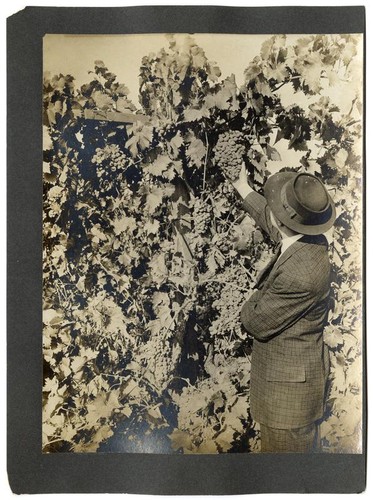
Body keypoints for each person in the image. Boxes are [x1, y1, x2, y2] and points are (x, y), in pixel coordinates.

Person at [232, 165, 336, 453]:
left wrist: (253, 294)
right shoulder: (308, 242)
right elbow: (272, 220)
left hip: (287, 402)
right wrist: (243, 188)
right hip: (293, 388)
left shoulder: (300, 275)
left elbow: (254, 320)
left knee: (287, 480)